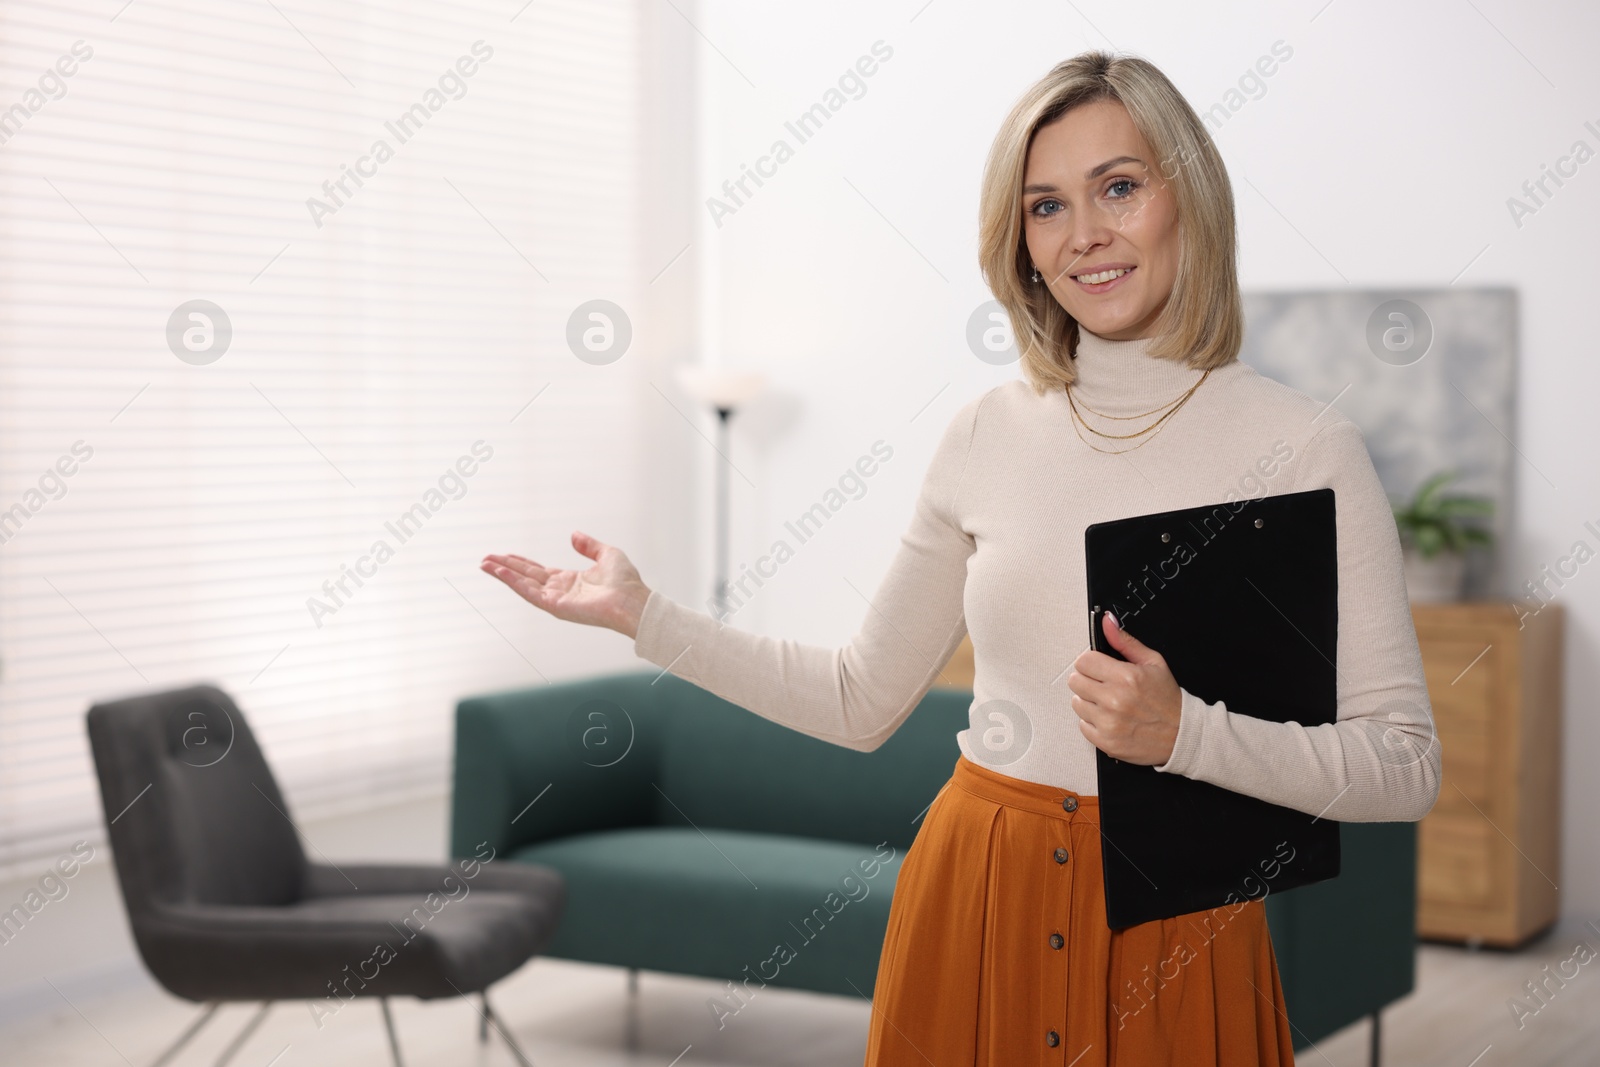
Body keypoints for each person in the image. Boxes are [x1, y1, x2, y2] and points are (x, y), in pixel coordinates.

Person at [482, 48, 1441, 1067]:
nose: (1085, 236)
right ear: (1019, 240)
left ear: (1187, 197)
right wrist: (646, 615)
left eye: (1118, 186)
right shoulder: (984, 434)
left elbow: (1404, 763)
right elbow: (860, 698)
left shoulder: (1305, 446)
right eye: (1045, 206)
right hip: (975, 895)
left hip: (1181, 923)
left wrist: (1183, 736)